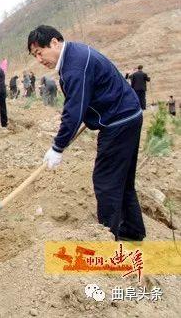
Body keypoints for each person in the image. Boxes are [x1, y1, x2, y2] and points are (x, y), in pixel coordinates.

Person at [28, 25, 145, 241]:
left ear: (54, 43)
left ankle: (107, 238)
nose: (39, 59)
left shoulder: (75, 65)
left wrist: (57, 147)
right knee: (123, 179)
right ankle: (133, 229)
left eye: (39, 52)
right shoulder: (75, 54)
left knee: (105, 180)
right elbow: (83, 102)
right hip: (128, 115)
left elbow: (74, 110)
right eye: (35, 55)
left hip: (118, 121)